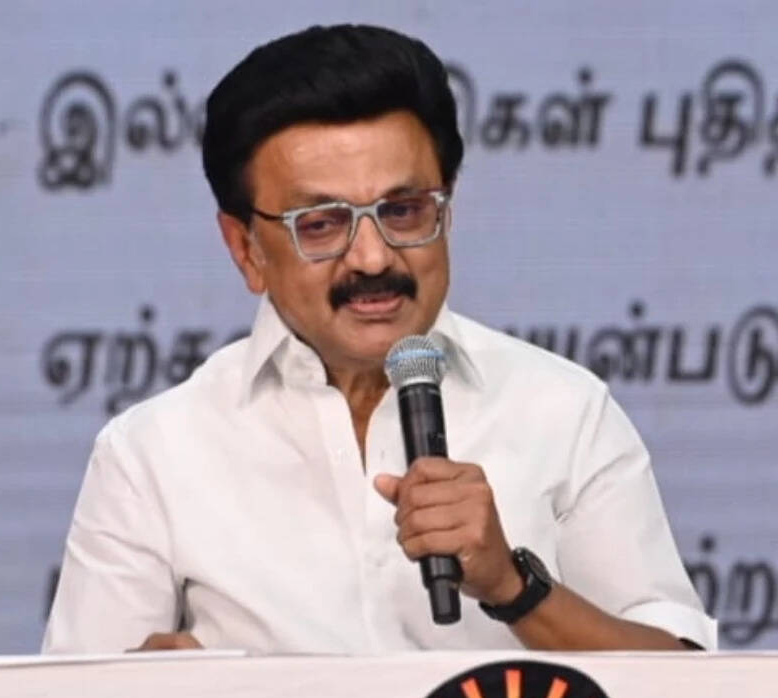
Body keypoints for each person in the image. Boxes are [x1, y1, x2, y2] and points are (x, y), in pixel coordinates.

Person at [42, 24, 715, 654]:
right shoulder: (154, 454)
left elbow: (691, 691)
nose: (371, 258)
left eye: (403, 211)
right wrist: (148, 697)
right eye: (322, 223)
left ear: (447, 209)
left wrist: (515, 588)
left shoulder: (564, 413)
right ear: (245, 248)